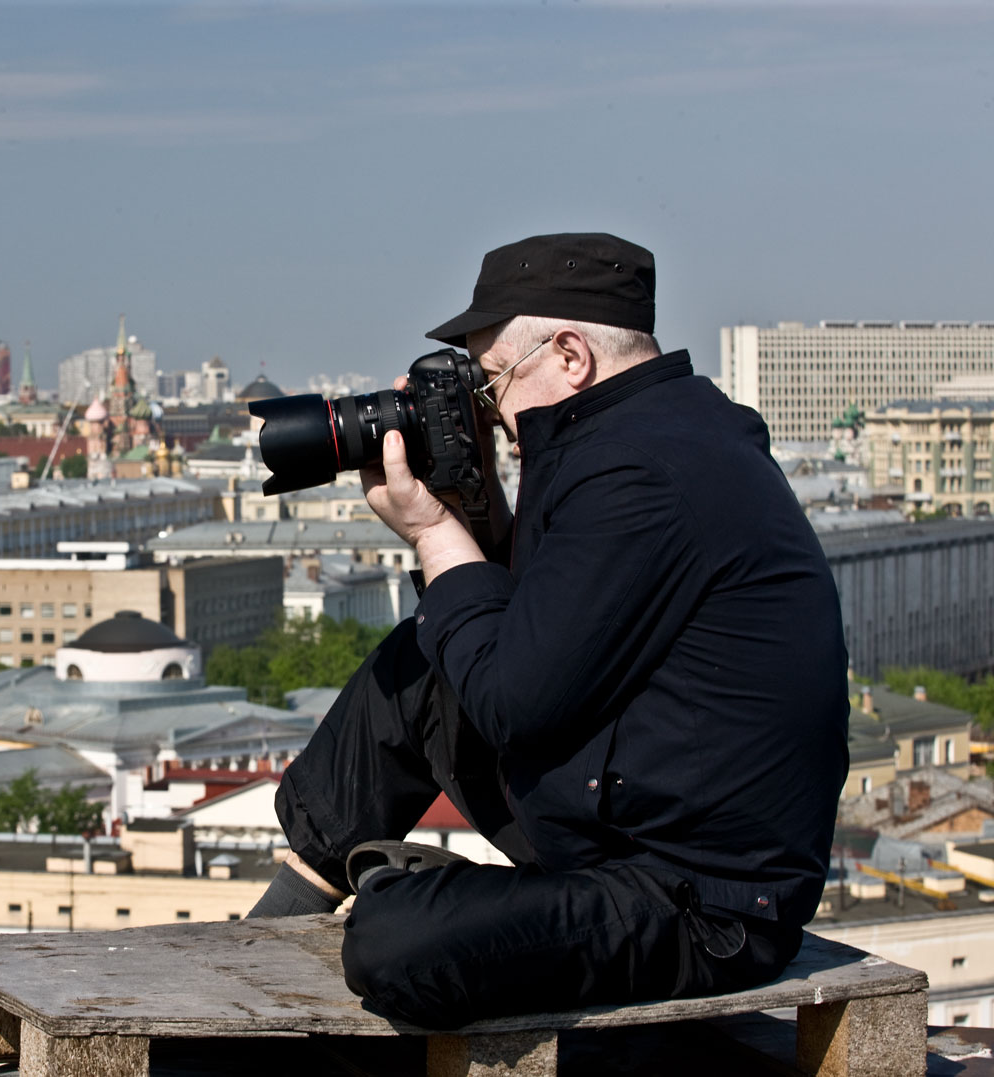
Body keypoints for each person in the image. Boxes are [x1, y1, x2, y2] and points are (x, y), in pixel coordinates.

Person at [246, 233, 849, 1029]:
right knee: (418, 662)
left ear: (571, 354)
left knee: (394, 946)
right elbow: (538, 627)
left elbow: (514, 701)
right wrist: (477, 506)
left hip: (702, 899)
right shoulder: (652, 434)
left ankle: (405, 887)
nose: (490, 411)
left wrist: (433, 532)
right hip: (625, 816)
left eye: (491, 381)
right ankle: (281, 918)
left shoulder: (640, 473)